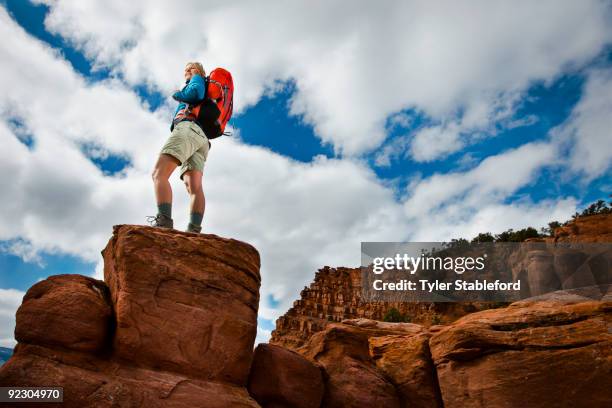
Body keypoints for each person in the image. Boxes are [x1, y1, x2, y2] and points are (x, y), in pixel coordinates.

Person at [148, 62, 210, 233]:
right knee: (194, 187)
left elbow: (195, 93)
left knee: (158, 174)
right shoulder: (209, 88)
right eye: (186, 70)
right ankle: (194, 230)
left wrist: (178, 93)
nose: (187, 72)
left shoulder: (197, 80)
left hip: (188, 128)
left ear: (198, 71)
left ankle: (164, 221)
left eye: (190, 69)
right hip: (202, 139)